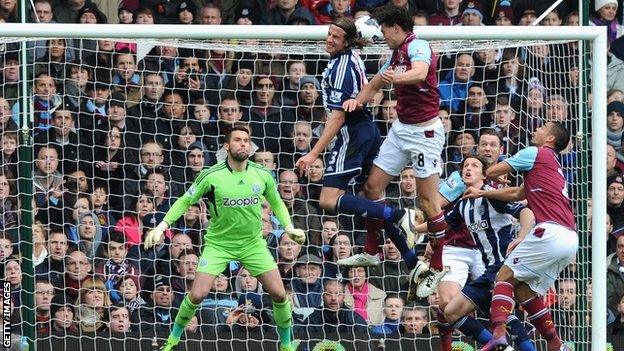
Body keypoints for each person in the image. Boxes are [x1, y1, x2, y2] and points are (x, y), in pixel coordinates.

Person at [295, 15, 430, 295]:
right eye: (328, 34)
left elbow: (337, 118)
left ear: (348, 41)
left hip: (352, 135)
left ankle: (399, 214)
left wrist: (313, 154)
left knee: (328, 200)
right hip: (366, 132)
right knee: (371, 196)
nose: (329, 39)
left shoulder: (343, 67)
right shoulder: (349, 57)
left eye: (335, 36)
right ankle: (411, 260)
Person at [144, 126, 306, 351]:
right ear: (227, 146)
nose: (243, 144)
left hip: (252, 244)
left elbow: (276, 202)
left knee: (279, 294)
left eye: (246, 140)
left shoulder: (262, 174)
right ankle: (172, 341)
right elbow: (184, 201)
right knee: (198, 294)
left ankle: (287, 346)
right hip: (219, 245)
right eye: (238, 140)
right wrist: (161, 227)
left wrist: (288, 227)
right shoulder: (211, 176)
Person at [325, 7, 447, 295]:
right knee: (371, 188)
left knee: (429, 205)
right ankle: (371, 250)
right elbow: (375, 82)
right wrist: (357, 101)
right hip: (401, 129)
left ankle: (438, 268)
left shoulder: (417, 45)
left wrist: (396, 78)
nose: (381, 34)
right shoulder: (396, 54)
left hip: (425, 133)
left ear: (395, 27)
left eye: (383, 29)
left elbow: (419, 73)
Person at [463, 121, 576, 351]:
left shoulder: (536, 152)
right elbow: (517, 192)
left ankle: (498, 333)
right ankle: (555, 342)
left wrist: (477, 169)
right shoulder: (550, 166)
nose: (536, 130)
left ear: (550, 139)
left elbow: (493, 169)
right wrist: (483, 192)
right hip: (569, 238)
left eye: (542, 127)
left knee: (502, 278)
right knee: (523, 290)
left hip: (549, 232)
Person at [414, 155, 537, 351]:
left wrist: (521, 236)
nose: (468, 169)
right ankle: (504, 348)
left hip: (505, 267)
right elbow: (441, 224)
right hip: (491, 270)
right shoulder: (463, 204)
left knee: (500, 310)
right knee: (452, 312)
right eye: (465, 166)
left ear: (484, 174)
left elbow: (526, 211)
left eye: (474, 165)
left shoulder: (492, 196)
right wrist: (412, 227)